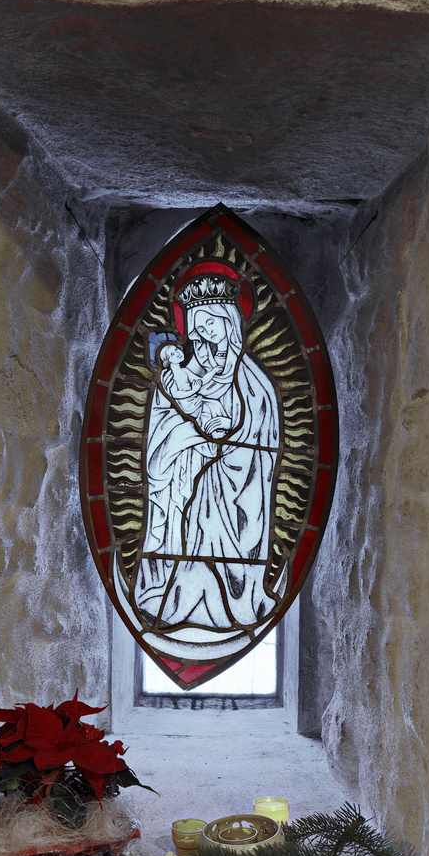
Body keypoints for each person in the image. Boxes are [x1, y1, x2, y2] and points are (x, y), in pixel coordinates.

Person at [130, 266, 283, 653]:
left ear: (231, 327)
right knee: (192, 535)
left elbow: (262, 448)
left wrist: (223, 435)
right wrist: (191, 437)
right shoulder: (180, 374)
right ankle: (176, 596)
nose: (201, 341)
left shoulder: (255, 387)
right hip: (193, 489)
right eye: (195, 333)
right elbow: (159, 445)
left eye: (210, 329)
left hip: (239, 494)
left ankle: (240, 598)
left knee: (233, 535)